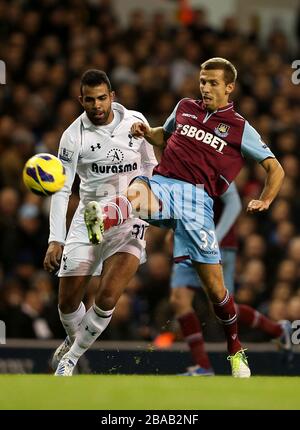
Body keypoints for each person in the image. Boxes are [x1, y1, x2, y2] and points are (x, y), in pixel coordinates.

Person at [82, 57, 285, 378]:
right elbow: (165, 135)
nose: (205, 87)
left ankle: (236, 350)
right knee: (138, 188)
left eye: (213, 82)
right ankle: (104, 217)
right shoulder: (184, 107)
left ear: (229, 87)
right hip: (164, 183)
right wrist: (147, 132)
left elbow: (275, 168)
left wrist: (265, 199)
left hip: (196, 201)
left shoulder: (239, 127)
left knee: (216, 292)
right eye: (203, 81)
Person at [43, 69, 157, 376]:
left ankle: (70, 360)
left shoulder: (136, 122)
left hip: (129, 217)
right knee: (67, 302)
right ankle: (74, 340)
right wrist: (56, 238)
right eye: (90, 100)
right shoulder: (72, 136)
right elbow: (62, 188)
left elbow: (150, 165)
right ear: (81, 100)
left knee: (107, 296)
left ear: (112, 97)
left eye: (102, 98)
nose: (96, 105)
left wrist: (143, 195)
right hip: (88, 216)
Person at [168, 183, 292, 376]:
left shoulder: (212, 160)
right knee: (178, 300)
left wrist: (213, 238)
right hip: (189, 242)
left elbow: (233, 203)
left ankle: (276, 330)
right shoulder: (177, 165)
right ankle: (203, 366)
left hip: (218, 245)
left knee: (222, 307)